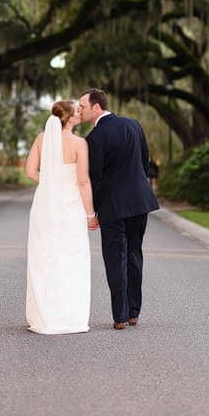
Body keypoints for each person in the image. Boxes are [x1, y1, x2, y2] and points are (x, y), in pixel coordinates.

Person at [78, 88, 160, 330]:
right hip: (140, 201)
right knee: (134, 253)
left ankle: (120, 316)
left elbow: (96, 177)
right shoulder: (133, 125)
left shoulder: (95, 137)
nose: (80, 110)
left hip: (113, 205)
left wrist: (94, 211)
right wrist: (139, 187)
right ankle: (134, 312)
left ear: (96, 107)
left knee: (115, 257)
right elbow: (145, 161)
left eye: (83, 106)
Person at [23, 99, 93, 335]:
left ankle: (43, 315)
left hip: (44, 204)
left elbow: (30, 172)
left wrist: (52, 183)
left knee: (43, 256)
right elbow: (83, 181)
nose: (81, 112)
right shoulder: (79, 143)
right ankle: (68, 316)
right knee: (71, 257)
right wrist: (91, 213)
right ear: (71, 117)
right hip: (70, 206)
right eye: (78, 109)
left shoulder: (41, 139)